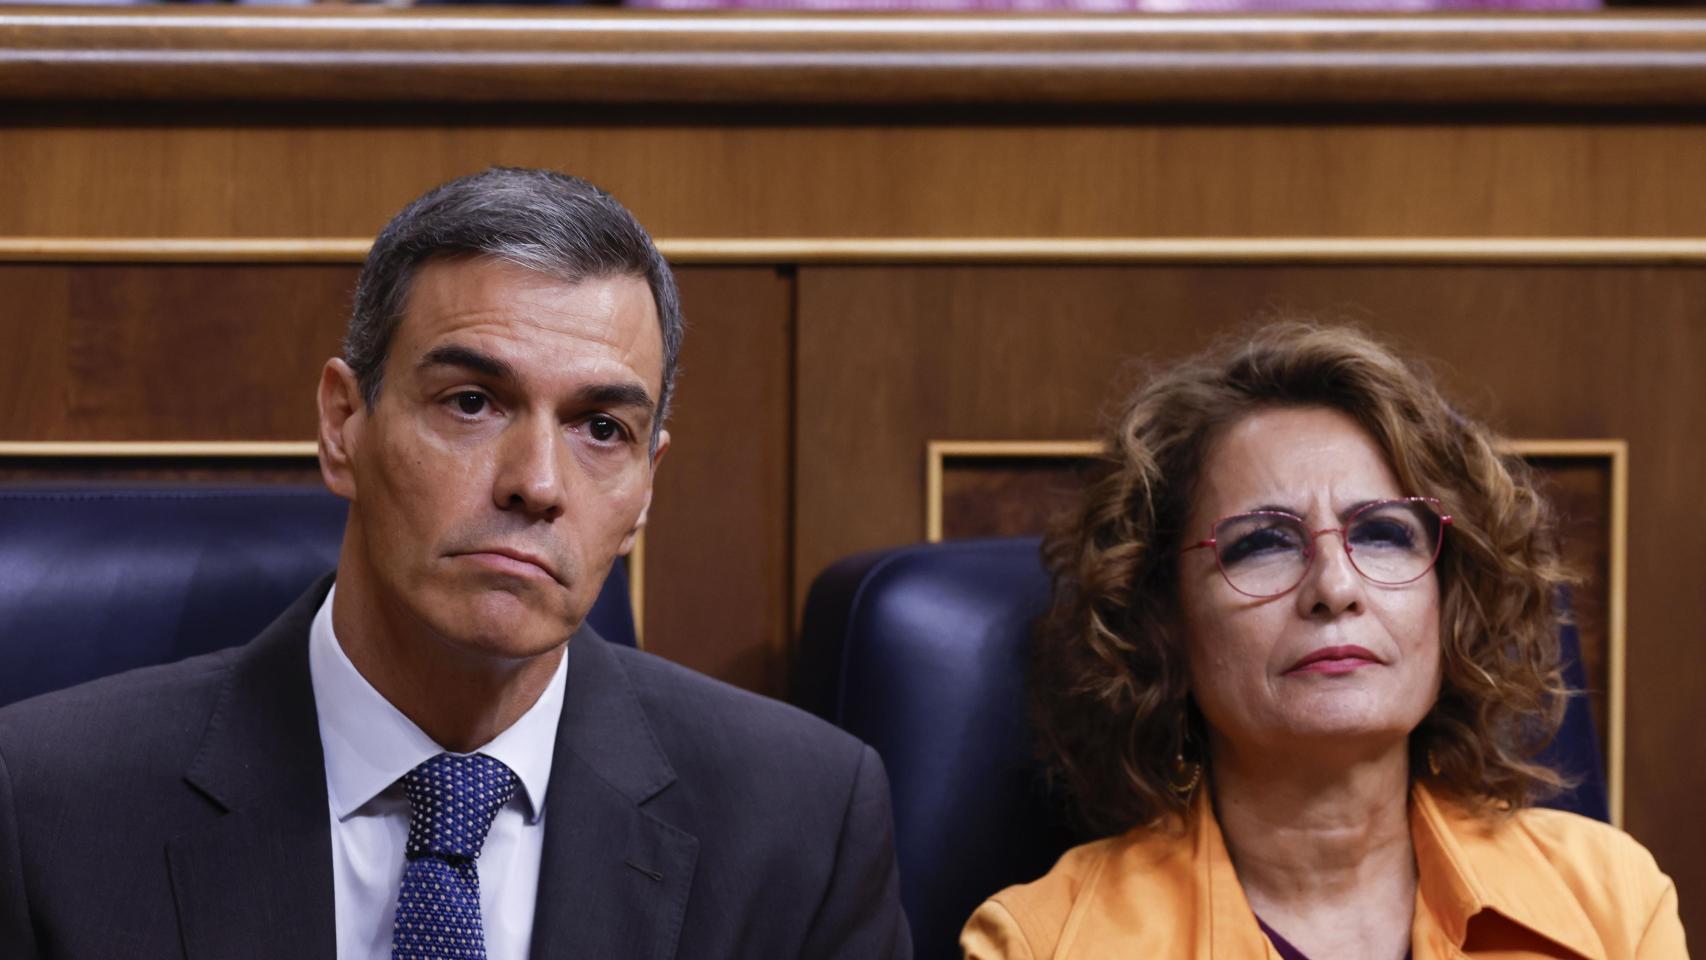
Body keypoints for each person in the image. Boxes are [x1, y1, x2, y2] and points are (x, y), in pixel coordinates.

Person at [0, 167, 911, 960]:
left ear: (645, 490)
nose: (538, 484)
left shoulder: (802, 825)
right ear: (342, 425)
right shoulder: (50, 805)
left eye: (602, 429)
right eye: (472, 402)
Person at [961, 324, 1686, 959]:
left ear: (1450, 604)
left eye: (1383, 533)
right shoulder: (1042, 943)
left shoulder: (1612, 905)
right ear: (1162, 622)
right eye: (1263, 544)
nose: (1335, 587)